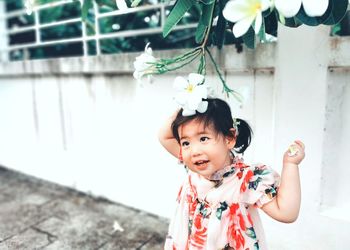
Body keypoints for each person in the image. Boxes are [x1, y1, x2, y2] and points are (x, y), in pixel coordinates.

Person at [158, 98, 305, 250]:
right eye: (186, 143)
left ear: (229, 138)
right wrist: (189, 103)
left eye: (203, 138)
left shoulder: (247, 180)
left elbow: (286, 213)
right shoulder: (196, 168)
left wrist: (290, 165)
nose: (194, 151)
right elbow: (164, 135)